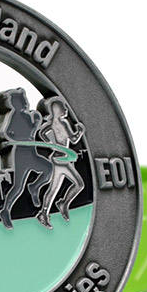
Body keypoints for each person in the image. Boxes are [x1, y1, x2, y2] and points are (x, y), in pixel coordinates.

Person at [0, 88, 53, 230]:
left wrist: (37, 123)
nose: (25, 103)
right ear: (15, 103)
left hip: (31, 153)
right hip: (20, 155)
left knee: (48, 168)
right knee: (18, 187)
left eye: (25, 101)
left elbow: (32, 132)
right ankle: (5, 210)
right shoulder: (14, 117)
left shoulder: (27, 116)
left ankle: (34, 187)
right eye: (22, 101)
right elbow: (6, 133)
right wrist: (16, 140)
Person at [35, 97, 86, 229]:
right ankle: (63, 203)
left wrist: (51, 143)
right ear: (57, 110)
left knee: (53, 189)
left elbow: (42, 133)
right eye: (63, 107)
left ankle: (44, 213)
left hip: (58, 158)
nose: (66, 109)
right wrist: (80, 131)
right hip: (62, 160)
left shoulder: (51, 125)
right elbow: (74, 139)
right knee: (79, 184)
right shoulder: (63, 123)